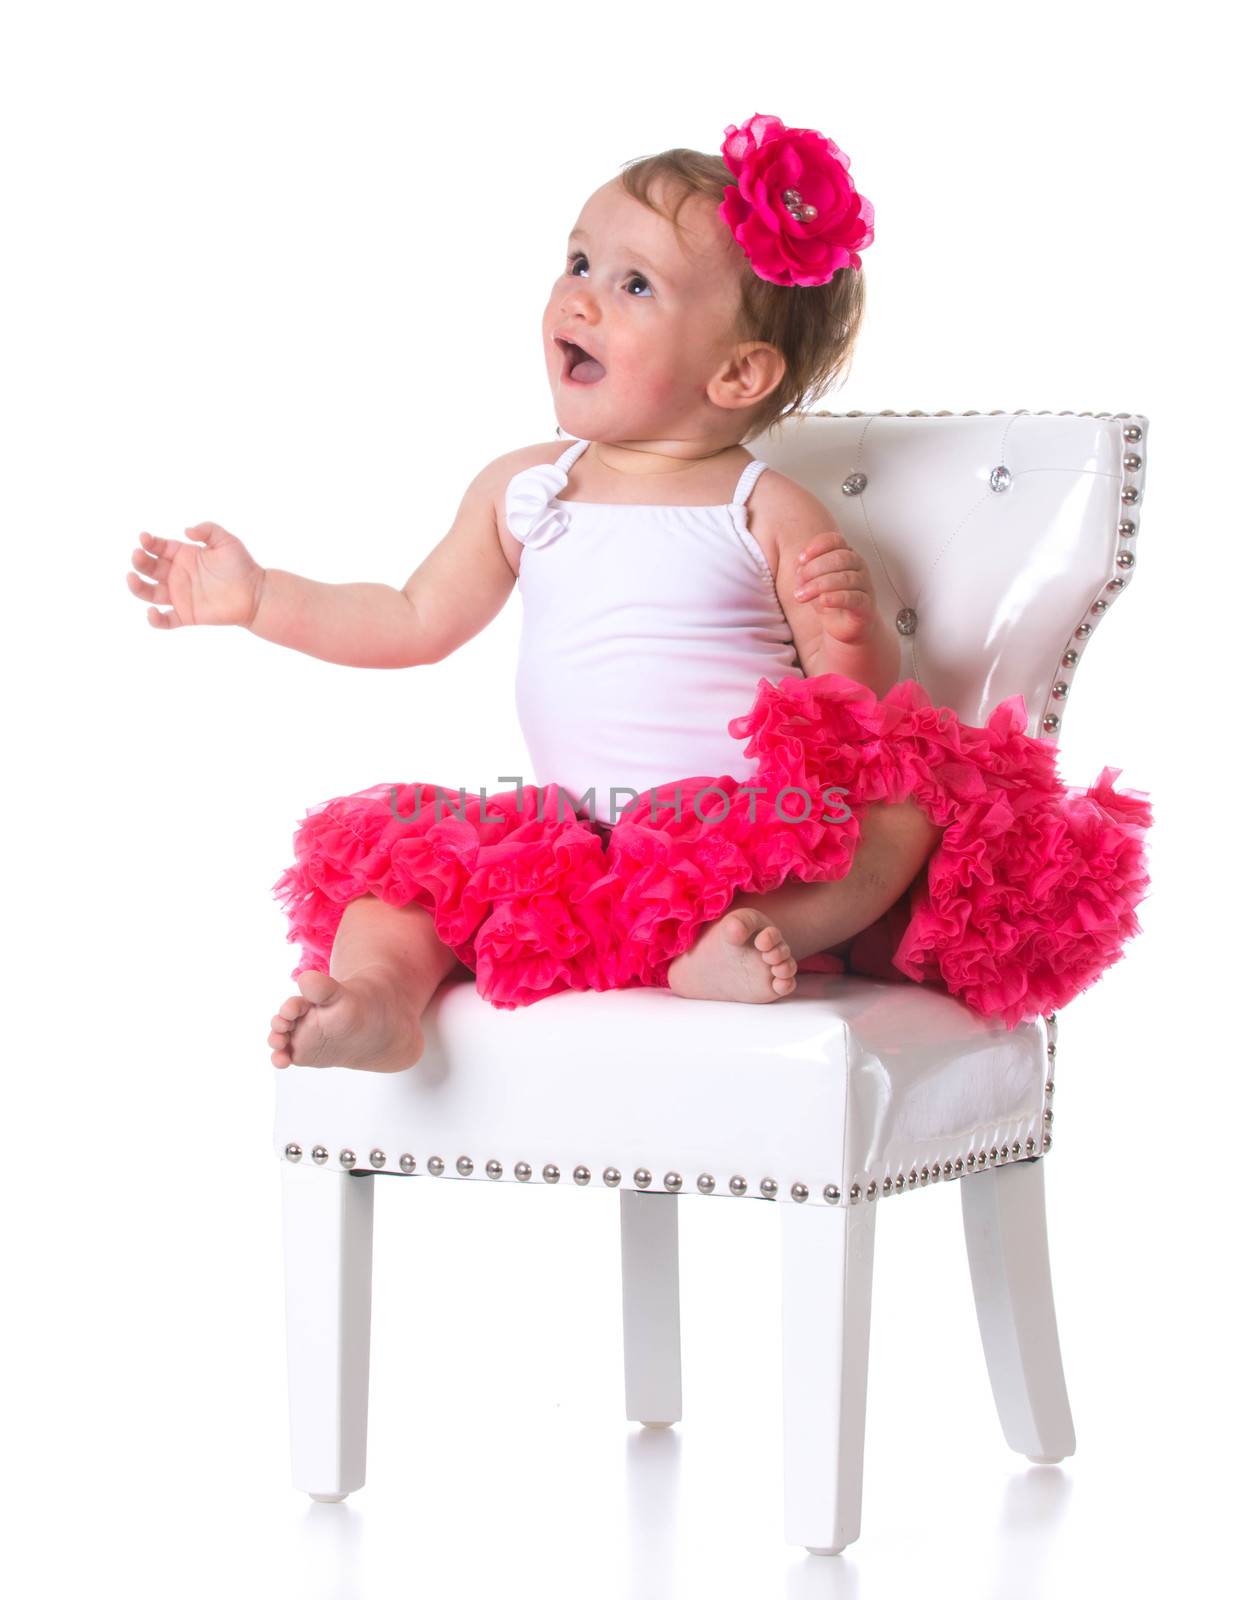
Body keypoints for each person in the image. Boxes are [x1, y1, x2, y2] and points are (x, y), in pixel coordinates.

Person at [125, 112, 1153, 1072]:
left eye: (633, 285)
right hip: (574, 841)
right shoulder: (525, 489)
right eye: (577, 262)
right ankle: (380, 1001)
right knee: (400, 878)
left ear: (740, 375)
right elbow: (408, 618)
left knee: (900, 819)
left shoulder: (763, 505)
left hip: (739, 837)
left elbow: (856, 712)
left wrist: (848, 629)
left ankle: (739, 941)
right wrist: (263, 599)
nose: (578, 297)